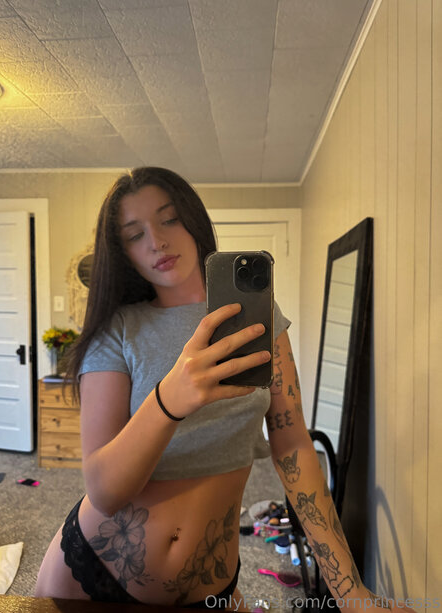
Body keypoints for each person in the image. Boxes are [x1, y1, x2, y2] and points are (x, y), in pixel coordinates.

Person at [35, 167, 412, 612]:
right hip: (92, 574)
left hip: (211, 583)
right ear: (124, 253)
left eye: (169, 219)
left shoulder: (259, 319)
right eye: (135, 234)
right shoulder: (117, 330)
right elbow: (103, 491)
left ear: (194, 220)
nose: (156, 241)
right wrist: (168, 400)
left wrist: (349, 592)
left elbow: (293, 446)